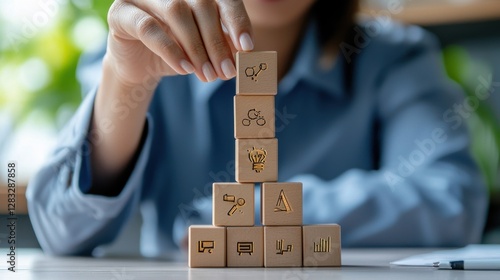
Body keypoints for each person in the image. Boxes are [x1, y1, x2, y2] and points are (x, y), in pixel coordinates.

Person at [27, 0, 487, 257]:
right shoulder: (134, 55)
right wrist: (127, 81)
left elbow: (452, 200)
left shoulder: (395, 57)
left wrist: (245, 214)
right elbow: (61, 231)